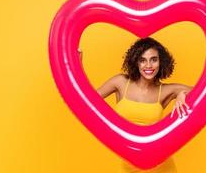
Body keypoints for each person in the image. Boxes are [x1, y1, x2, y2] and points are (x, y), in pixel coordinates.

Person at [79, 37, 191, 173]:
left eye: (154, 59)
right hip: (129, 164)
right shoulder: (120, 82)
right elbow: (87, 100)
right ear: (135, 62)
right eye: (142, 60)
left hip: (161, 165)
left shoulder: (165, 90)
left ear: (161, 62)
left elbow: (205, 90)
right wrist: (77, 69)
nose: (148, 66)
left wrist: (182, 94)